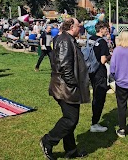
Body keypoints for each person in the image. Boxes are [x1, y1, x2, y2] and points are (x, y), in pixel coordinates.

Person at [40, 18, 90, 160]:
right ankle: (48, 141)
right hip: (64, 87)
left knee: (70, 119)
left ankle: (71, 151)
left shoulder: (67, 39)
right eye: (78, 26)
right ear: (71, 27)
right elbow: (64, 65)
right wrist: (73, 83)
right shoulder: (64, 40)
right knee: (70, 119)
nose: (80, 28)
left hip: (65, 86)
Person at [88, 21, 111, 133]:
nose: (107, 30)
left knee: (96, 96)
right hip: (99, 72)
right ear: (101, 29)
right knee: (99, 97)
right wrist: (110, 55)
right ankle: (95, 123)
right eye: (106, 28)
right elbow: (103, 60)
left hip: (91, 70)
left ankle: (94, 121)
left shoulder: (90, 39)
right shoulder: (102, 42)